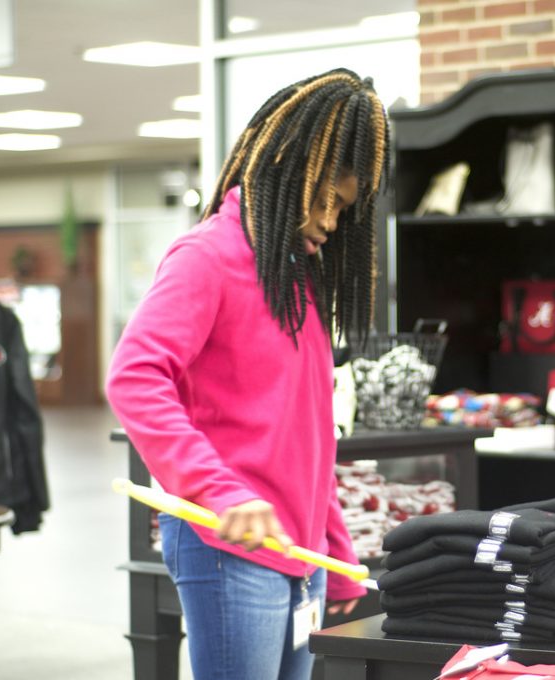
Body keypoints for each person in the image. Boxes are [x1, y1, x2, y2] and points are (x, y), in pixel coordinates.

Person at [106, 68, 389, 680]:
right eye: (326, 201)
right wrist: (219, 489)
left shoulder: (296, 279)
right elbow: (134, 377)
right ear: (289, 171)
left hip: (297, 551)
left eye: (343, 208)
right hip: (226, 543)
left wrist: (333, 545)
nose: (333, 222)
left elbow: (306, 435)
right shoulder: (206, 257)